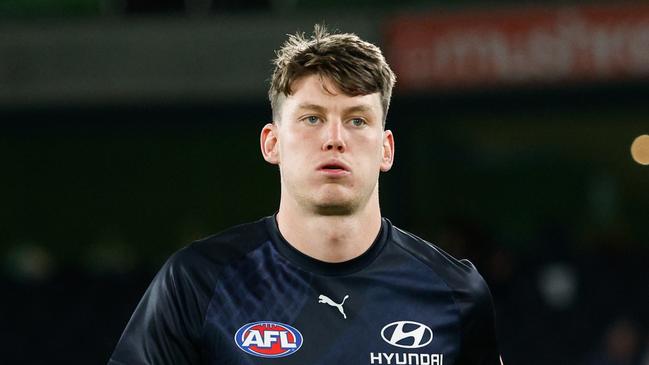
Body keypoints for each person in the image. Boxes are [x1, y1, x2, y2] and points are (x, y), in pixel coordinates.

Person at [108, 24, 502, 365]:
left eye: (357, 120)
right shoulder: (197, 283)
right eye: (312, 118)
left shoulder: (456, 293)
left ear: (386, 150)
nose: (334, 139)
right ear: (272, 142)